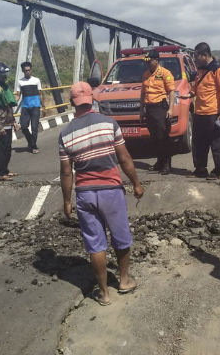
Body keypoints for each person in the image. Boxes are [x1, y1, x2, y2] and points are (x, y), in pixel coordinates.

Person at [59, 81, 145, 306]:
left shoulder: (65, 134)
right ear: (92, 99)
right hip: (110, 191)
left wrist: (67, 201)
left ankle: (105, 293)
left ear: (72, 104)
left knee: (95, 245)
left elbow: (66, 173)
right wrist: (136, 183)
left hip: (85, 195)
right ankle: (124, 281)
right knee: (120, 237)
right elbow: (124, 158)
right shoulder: (109, 124)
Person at [182, 42, 220, 179]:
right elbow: (196, 87)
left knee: (215, 143)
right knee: (198, 143)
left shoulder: (218, 70)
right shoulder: (200, 70)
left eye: (197, 56)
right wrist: (190, 94)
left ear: (205, 55)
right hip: (199, 113)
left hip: (212, 113)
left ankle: (218, 170)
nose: (195, 59)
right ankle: (200, 169)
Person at [139, 49, 176, 175]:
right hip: (149, 109)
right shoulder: (145, 75)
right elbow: (143, 93)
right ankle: (159, 161)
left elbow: (171, 92)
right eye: (146, 62)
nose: (147, 64)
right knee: (154, 137)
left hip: (160, 107)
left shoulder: (165, 73)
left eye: (150, 61)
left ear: (157, 60)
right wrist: (141, 110)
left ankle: (167, 164)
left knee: (163, 137)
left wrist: (171, 109)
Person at [16, 61, 45, 153]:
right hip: (25, 107)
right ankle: (31, 142)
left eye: (29, 70)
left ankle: (33, 147)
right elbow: (18, 95)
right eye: (25, 70)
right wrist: (11, 103)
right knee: (24, 127)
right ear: (23, 71)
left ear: (31, 70)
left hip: (35, 107)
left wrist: (43, 107)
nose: (27, 72)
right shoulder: (20, 82)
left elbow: (40, 94)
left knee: (34, 128)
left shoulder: (36, 80)